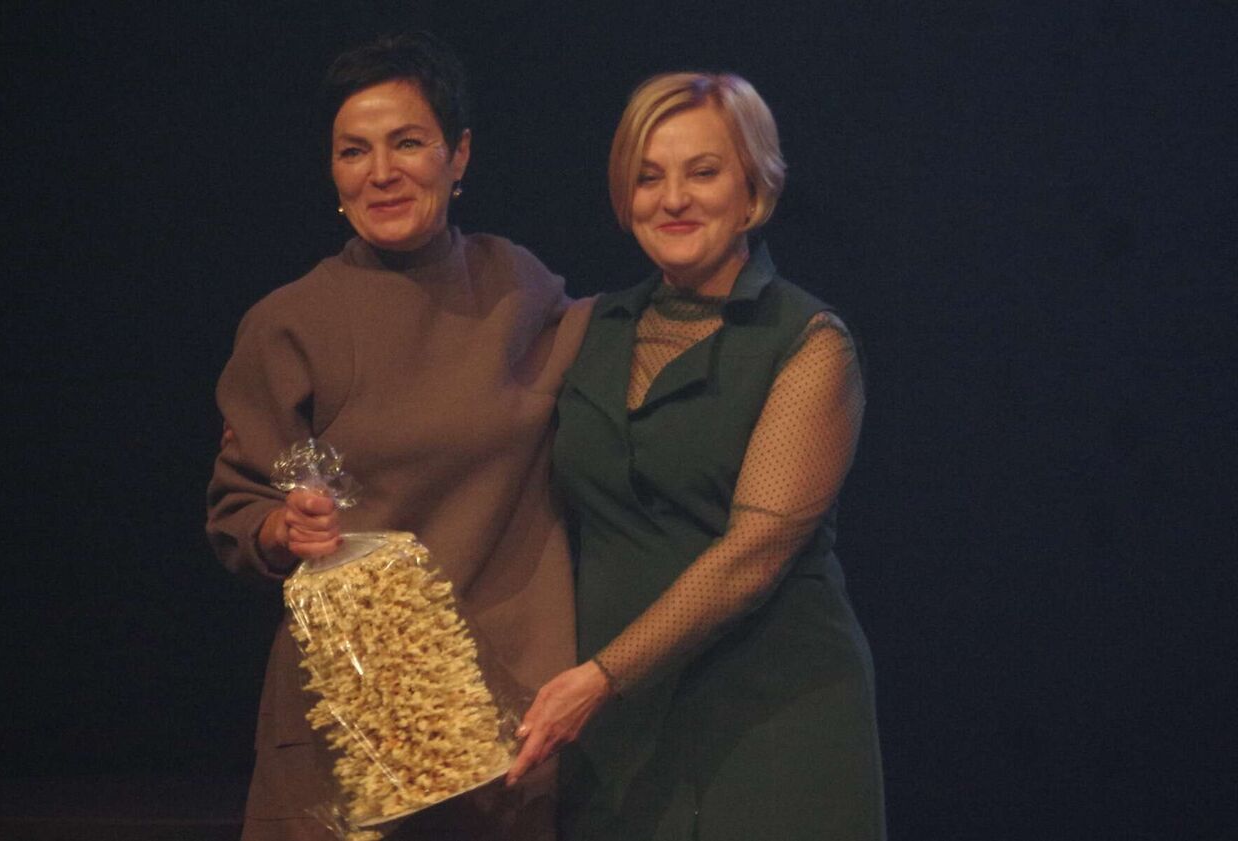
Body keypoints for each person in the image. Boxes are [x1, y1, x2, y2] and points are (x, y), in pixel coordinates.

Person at [206, 32, 589, 841]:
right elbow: (237, 509)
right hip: (351, 722)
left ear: (459, 155)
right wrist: (282, 526)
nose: (381, 172)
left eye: (408, 142)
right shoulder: (289, 322)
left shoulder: (518, 287)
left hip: (505, 718)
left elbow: (627, 350)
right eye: (354, 151)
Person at [507, 72, 886, 839]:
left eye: (703, 172)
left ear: (754, 189)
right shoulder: (588, 329)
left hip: (773, 719)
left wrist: (602, 677)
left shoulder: (809, 342)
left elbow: (753, 552)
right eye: (648, 177)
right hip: (620, 737)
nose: (673, 198)